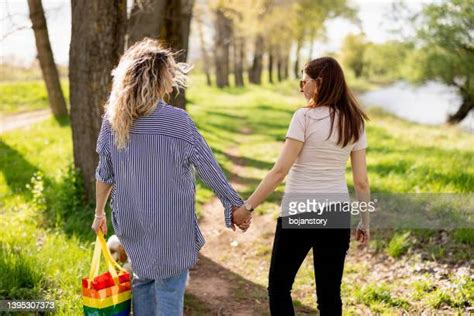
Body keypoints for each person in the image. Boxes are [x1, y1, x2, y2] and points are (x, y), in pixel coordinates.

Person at [90, 38, 249, 315]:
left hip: (132, 222)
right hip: (171, 226)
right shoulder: (178, 121)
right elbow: (208, 167)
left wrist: (98, 213)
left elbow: (104, 173)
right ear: (161, 79)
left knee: (142, 280)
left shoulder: (113, 121)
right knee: (169, 286)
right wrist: (233, 203)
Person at [232, 57, 371, 315]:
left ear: (319, 84)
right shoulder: (354, 122)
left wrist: (247, 207)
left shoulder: (304, 117)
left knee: (280, 287)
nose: (301, 88)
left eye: (303, 81)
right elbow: (361, 181)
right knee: (329, 296)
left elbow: (279, 171)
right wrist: (365, 221)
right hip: (336, 214)